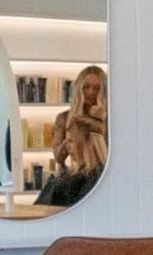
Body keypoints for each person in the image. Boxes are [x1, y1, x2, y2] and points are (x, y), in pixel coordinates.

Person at [36, 67, 108, 211]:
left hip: (101, 175)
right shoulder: (64, 118)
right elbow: (59, 157)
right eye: (86, 87)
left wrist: (98, 125)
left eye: (97, 89)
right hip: (78, 173)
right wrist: (70, 139)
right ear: (78, 88)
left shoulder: (111, 118)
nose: (90, 93)